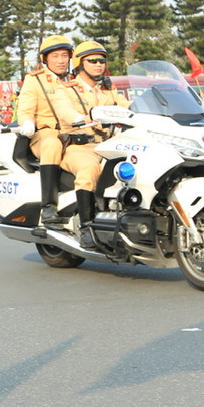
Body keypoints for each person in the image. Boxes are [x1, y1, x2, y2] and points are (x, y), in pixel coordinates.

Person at [51, 41, 128, 250]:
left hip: (110, 145)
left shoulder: (107, 92)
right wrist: (83, 118)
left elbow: (129, 107)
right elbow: (65, 112)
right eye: (92, 60)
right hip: (80, 147)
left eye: (102, 60)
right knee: (89, 169)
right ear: (79, 64)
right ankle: (86, 227)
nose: (98, 65)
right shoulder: (65, 90)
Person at [14, 35, 75, 227]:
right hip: (45, 133)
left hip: (74, 134)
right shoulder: (35, 80)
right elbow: (25, 109)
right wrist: (27, 123)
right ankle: (48, 206)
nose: (61, 60)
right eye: (55, 56)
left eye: (64, 55)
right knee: (52, 144)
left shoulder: (75, 80)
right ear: (45, 59)